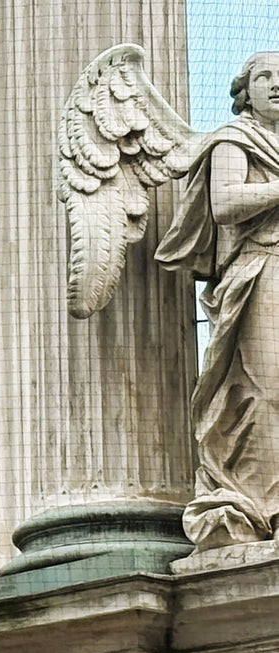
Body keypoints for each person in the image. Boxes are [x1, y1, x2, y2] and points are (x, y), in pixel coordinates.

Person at [156, 52, 279, 550]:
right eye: (265, 77)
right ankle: (263, 503)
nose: (277, 85)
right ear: (244, 90)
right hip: (263, 269)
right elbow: (225, 203)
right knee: (267, 388)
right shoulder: (234, 140)